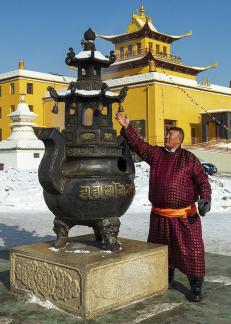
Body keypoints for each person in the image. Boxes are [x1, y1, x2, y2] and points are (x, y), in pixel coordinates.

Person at [115, 112, 211, 302]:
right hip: (159, 216)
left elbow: (203, 181)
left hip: (184, 217)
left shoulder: (189, 159)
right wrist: (127, 127)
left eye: (170, 135)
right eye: (167, 135)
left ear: (179, 140)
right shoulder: (157, 154)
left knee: (191, 252)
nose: (166, 137)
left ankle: (196, 286)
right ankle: (164, 279)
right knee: (161, 250)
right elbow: (139, 146)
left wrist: (205, 199)